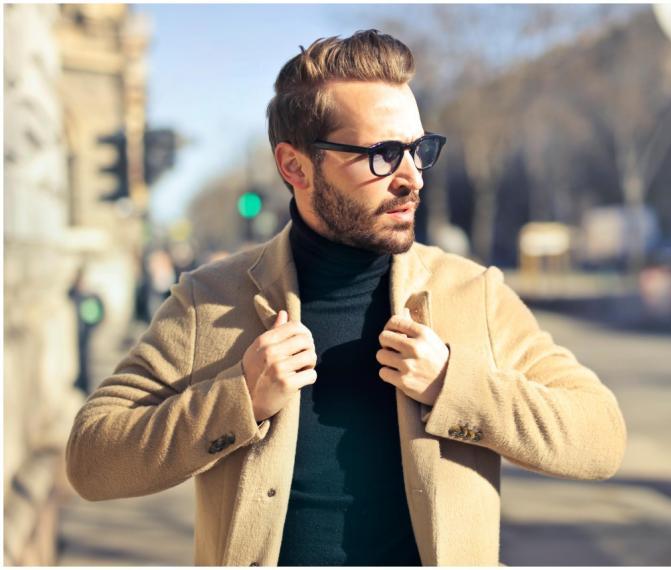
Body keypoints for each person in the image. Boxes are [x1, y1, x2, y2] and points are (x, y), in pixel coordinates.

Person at [65, 30, 627, 566]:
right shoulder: (208, 301)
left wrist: (456, 387)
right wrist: (238, 400)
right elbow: (91, 460)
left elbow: (600, 437)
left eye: (418, 149)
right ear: (296, 166)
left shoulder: (474, 294)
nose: (412, 178)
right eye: (383, 153)